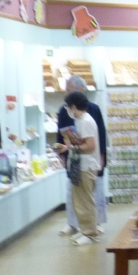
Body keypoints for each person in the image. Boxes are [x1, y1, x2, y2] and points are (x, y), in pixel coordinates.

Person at [56, 75, 106, 236]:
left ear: (81, 90)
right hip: (74, 159)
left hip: (88, 160)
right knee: (75, 195)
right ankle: (74, 224)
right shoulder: (64, 111)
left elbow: (99, 137)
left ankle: (94, 226)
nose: (67, 94)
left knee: (91, 195)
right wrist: (62, 153)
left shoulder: (92, 112)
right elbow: (60, 133)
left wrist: (102, 155)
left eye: (70, 90)